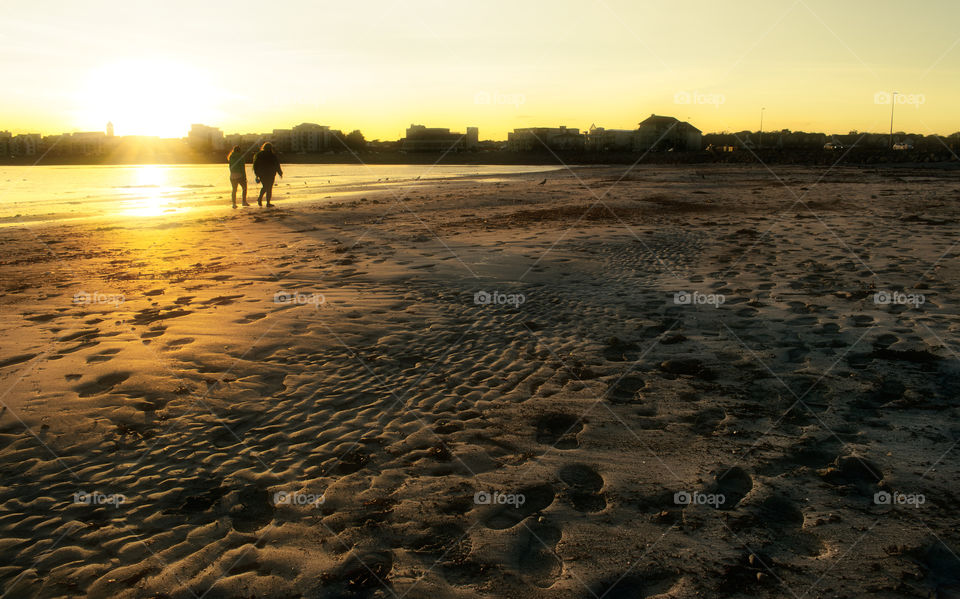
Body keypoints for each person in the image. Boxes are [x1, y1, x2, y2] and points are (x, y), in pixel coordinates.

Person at [252, 142, 283, 207]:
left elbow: (255, 165)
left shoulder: (259, 154)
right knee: (268, 188)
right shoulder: (272, 155)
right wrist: (280, 172)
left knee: (265, 186)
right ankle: (267, 202)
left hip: (262, 174)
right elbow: (277, 165)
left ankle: (260, 198)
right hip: (271, 174)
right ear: (271, 148)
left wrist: (257, 174)